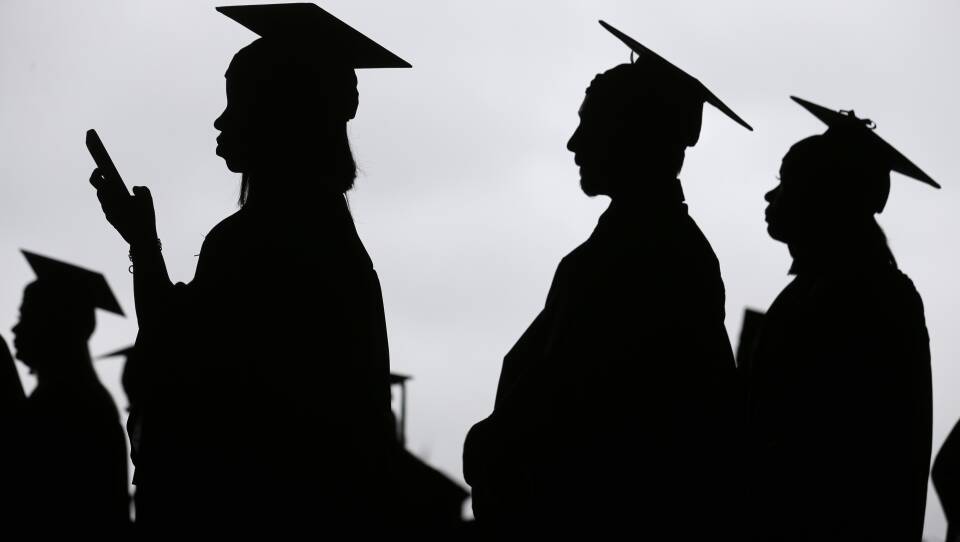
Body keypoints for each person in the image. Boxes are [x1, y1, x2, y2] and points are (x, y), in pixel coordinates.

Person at [88, 3, 410, 536]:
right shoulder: (326, 236)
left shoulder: (259, 241)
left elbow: (176, 363)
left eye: (238, 102)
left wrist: (144, 246)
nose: (221, 119)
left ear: (281, 115)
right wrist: (142, 242)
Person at [463, 20, 750, 537]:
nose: (574, 143)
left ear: (635, 135)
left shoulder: (652, 258)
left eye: (591, 122)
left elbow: (582, 412)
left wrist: (492, 447)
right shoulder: (641, 249)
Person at [744, 97, 936, 542]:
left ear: (826, 198)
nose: (772, 195)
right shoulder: (816, 292)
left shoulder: (870, 299)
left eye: (788, 181)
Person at [1, 251, 130, 538]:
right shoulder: (85, 400)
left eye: (26, 315)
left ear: (59, 326)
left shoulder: (68, 407)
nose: (16, 328)